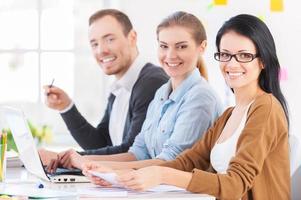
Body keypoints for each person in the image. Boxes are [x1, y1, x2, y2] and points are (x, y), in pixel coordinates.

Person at [84, 14, 290, 200]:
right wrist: (114, 174)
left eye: (244, 55)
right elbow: (185, 162)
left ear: (262, 61)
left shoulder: (266, 108)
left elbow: (235, 184)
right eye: (225, 54)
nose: (232, 64)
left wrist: (162, 175)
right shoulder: (229, 115)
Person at [46, 11, 223, 172]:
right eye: (163, 46)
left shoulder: (199, 97)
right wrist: (77, 160)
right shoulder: (162, 92)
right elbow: (139, 151)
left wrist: (86, 163)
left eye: (181, 46)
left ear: (202, 47)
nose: (170, 55)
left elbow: (172, 162)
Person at [39, 9, 168, 165]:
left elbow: (132, 153)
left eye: (110, 39)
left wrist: (64, 159)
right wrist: (66, 107)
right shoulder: (120, 88)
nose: (101, 50)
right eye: (94, 44)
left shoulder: (151, 83)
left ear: (132, 37)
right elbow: (101, 143)